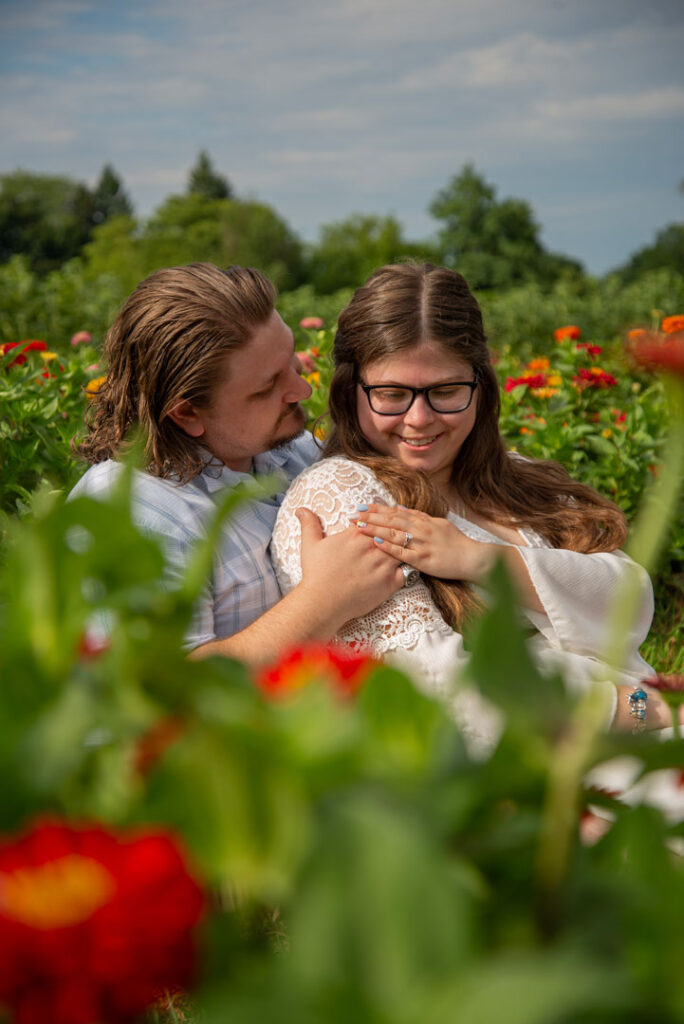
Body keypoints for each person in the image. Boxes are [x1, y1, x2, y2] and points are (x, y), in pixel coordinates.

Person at [270, 262, 682, 758]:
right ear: (349, 390)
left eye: (445, 392)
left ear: (480, 385)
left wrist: (479, 558)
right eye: (392, 394)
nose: (419, 420)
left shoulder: (513, 475)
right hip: (526, 772)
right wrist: (646, 708)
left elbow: (629, 598)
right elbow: (443, 688)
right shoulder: (342, 493)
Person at [70, 262, 403, 662]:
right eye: (267, 388)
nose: (301, 389)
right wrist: (323, 602)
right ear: (187, 413)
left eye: (292, 365)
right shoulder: (128, 515)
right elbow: (158, 691)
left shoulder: (288, 452)